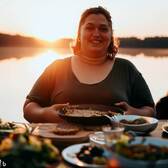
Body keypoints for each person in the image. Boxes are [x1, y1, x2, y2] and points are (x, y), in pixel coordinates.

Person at [23, 6, 155, 123]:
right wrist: (44, 114)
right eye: (89, 28)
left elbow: (150, 110)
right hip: (60, 142)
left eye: (103, 29)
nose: (96, 34)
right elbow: (29, 107)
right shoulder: (57, 67)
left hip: (112, 145)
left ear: (110, 36)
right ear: (79, 34)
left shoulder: (126, 68)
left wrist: (135, 114)